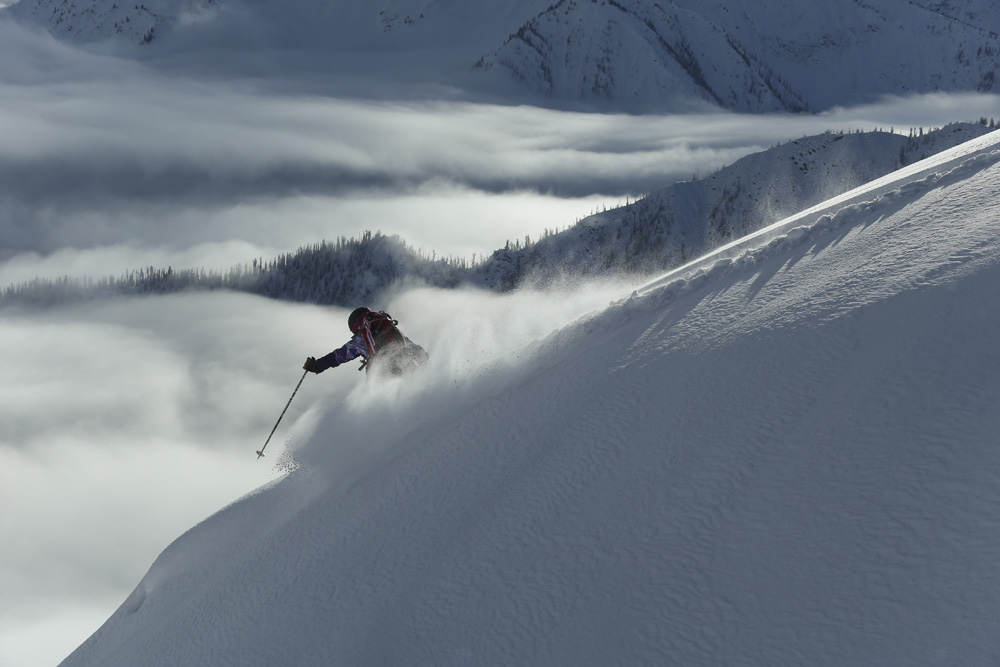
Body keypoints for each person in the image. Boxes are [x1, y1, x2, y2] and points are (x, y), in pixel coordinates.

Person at [303, 306, 428, 377]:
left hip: (384, 374)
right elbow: (412, 347)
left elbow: (338, 357)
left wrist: (317, 366)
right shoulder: (390, 328)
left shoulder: (360, 340)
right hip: (407, 365)